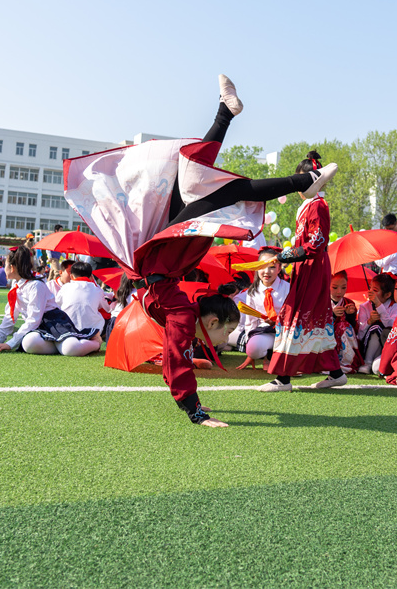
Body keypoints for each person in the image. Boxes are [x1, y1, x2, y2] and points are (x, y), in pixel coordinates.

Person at [63, 74, 336, 425]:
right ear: (210, 320)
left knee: (209, 183)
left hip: (168, 243)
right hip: (167, 243)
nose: (223, 342)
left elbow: (176, 355)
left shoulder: (181, 310)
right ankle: (239, 124)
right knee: (195, 175)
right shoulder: (181, 308)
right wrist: (196, 411)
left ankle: (233, 119)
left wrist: (191, 403)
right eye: (224, 333)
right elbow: (177, 357)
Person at [262, 151, 342, 390]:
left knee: (293, 316)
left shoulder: (318, 206)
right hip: (305, 266)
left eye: (302, 180)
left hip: (312, 267)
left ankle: (283, 378)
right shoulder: (308, 206)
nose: (298, 185)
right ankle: (336, 373)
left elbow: (316, 244)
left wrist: (286, 255)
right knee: (315, 319)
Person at [0, 246, 102, 356]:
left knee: (70, 349)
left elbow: (34, 319)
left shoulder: (36, 285)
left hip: (54, 322)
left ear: (12, 268)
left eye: (5, 265)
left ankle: (95, 341)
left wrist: (10, 343)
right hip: (38, 327)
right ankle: (59, 345)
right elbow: (10, 315)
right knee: (28, 343)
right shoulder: (16, 285)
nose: (4, 269)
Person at [234, 247, 288, 369]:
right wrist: (250, 352)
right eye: (263, 266)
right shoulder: (252, 292)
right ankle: (268, 355)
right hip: (266, 333)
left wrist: (278, 321)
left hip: (286, 333)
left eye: (272, 267)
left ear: (279, 269)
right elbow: (250, 322)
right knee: (253, 348)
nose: (267, 271)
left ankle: (274, 358)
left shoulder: (288, 289)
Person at [52, 261, 109, 356]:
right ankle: (96, 342)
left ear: (71, 276)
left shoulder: (65, 287)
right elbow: (106, 308)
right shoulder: (97, 289)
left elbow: (57, 305)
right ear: (91, 277)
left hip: (67, 329)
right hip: (92, 330)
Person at [356, 273, 397, 374]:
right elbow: (360, 335)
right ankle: (367, 362)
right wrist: (369, 321)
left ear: (388, 295)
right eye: (370, 288)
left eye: (375, 290)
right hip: (366, 348)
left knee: (377, 368)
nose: (370, 292)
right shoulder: (364, 307)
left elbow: (392, 327)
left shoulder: (395, 307)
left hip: (386, 347)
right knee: (374, 327)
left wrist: (379, 306)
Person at [330, 271, 362, 373]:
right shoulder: (321, 302)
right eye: (335, 287)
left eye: (343, 287)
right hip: (326, 339)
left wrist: (350, 315)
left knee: (344, 326)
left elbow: (353, 327)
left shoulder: (349, 303)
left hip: (344, 340)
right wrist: (332, 314)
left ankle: (347, 361)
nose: (339, 291)